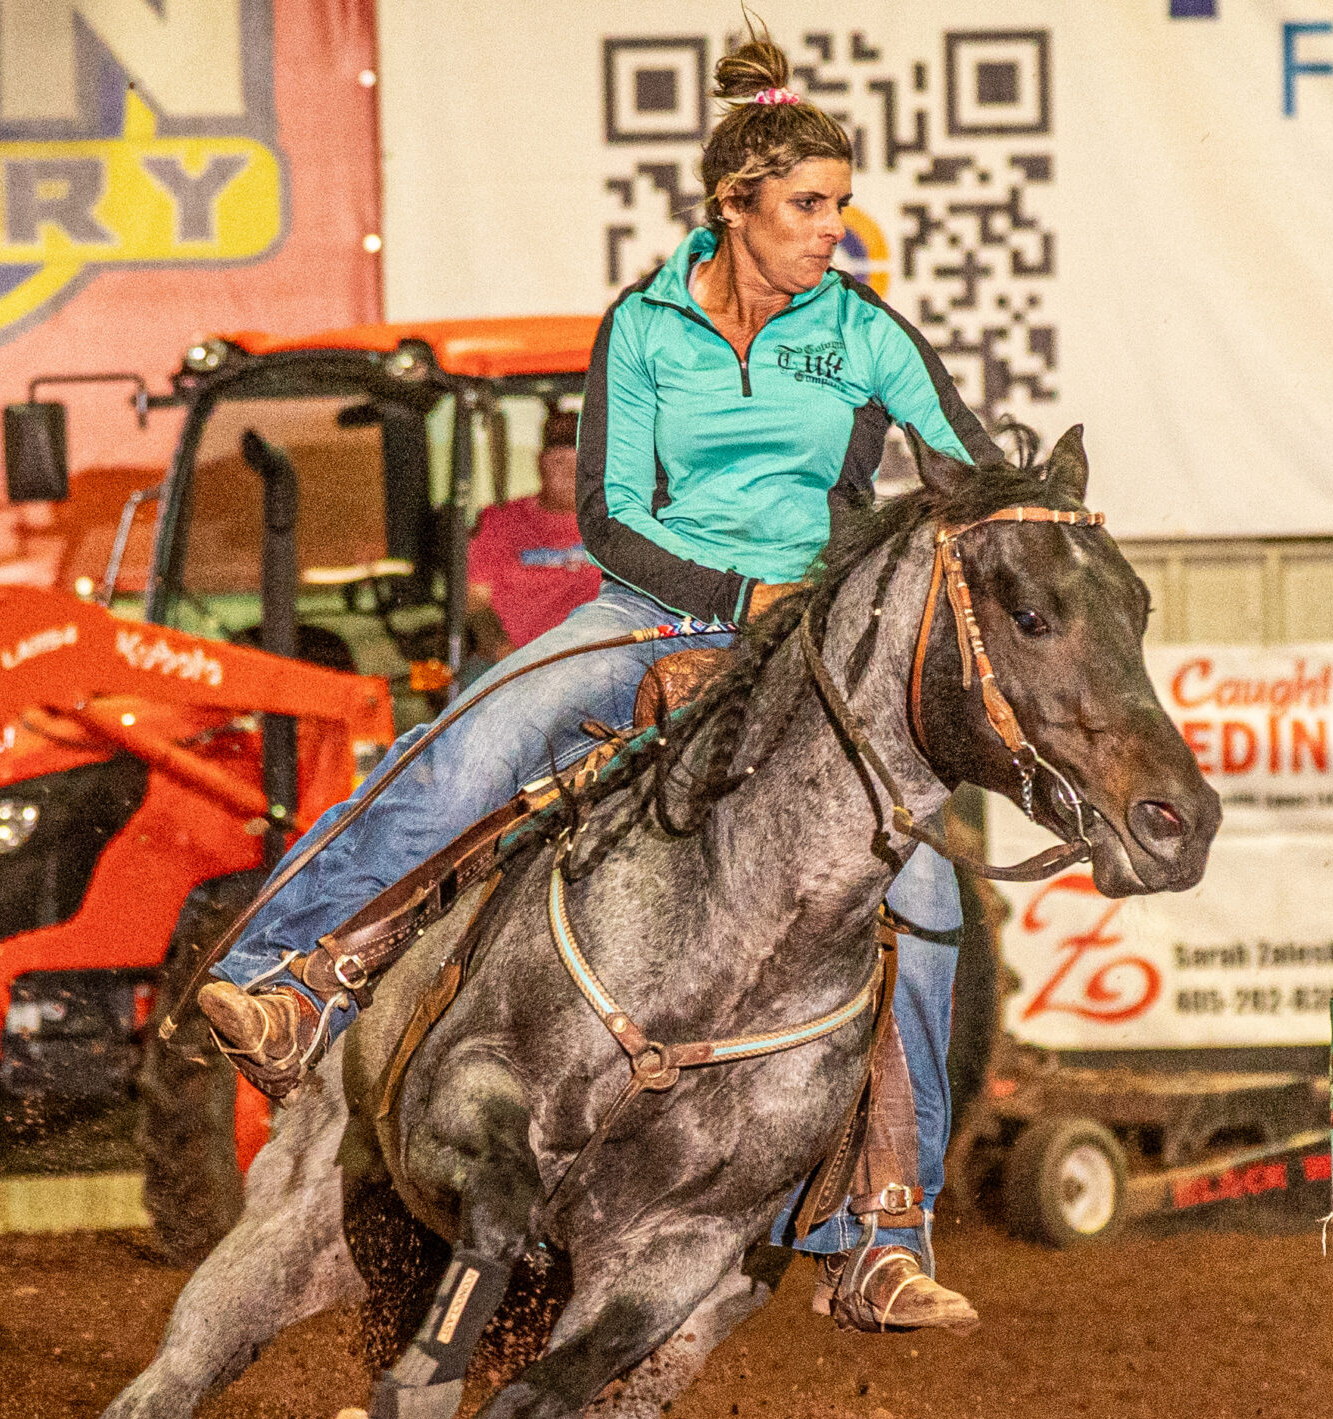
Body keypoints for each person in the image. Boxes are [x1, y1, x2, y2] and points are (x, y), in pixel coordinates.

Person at [194, 28, 999, 1333]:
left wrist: (1011, 503)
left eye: (840, 206)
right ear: (732, 208)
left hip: (809, 657)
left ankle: (876, 1232)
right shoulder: (647, 325)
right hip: (647, 607)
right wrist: (731, 601)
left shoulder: (865, 333)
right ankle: (287, 979)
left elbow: (966, 462)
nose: (831, 232)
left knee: (927, 893)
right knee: (469, 744)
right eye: (808, 206)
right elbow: (614, 515)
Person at [465, 409, 600, 659]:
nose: (571, 473)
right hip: (513, 664)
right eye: (559, 461)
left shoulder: (618, 523)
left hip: (598, 664)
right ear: (539, 463)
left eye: (581, 462)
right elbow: (475, 601)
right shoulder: (499, 521)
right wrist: (503, 652)